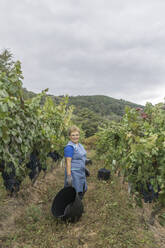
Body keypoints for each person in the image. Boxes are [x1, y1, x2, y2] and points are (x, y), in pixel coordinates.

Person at [64, 125, 87, 200]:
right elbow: (68, 162)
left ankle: (77, 206)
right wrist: (69, 176)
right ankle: (73, 209)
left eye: (77, 135)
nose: (75, 137)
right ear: (69, 136)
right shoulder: (69, 147)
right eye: (73, 135)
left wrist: (85, 167)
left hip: (81, 171)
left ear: (79, 135)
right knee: (75, 192)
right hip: (74, 173)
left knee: (83, 189)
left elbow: (82, 157)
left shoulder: (79, 145)